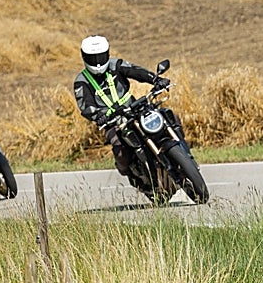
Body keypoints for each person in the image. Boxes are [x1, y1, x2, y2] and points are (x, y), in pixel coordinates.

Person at [73, 35, 184, 187]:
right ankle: (136, 175)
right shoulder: (81, 81)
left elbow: (136, 71)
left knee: (170, 117)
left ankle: (184, 154)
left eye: (100, 56)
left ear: (107, 53)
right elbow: (85, 104)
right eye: (93, 58)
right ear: (84, 57)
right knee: (121, 151)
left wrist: (156, 80)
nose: (98, 62)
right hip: (112, 122)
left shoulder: (115, 65)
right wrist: (98, 115)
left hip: (134, 108)